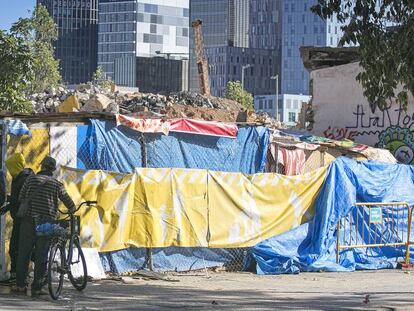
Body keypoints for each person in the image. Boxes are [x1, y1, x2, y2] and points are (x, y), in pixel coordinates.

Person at [13, 156, 75, 296]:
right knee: (42, 255)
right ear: (52, 169)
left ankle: (20, 285)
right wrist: (71, 210)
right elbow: (69, 203)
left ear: (42, 166)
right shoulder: (57, 184)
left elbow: (21, 198)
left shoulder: (30, 179)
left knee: (24, 254)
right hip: (46, 223)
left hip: (28, 221)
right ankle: (37, 287)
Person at [3, 154, 34, 283]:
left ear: (15, 166)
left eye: (10, 168)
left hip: (24, 219)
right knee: (16, 248)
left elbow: (23, 200)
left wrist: (9, 199)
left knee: (18, 248)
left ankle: (19, 276)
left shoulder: (25, 179)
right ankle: (16, 274)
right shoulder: (18, 178)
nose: (9, 172)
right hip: (18, 218)